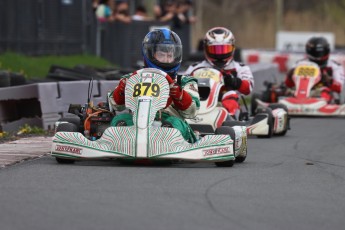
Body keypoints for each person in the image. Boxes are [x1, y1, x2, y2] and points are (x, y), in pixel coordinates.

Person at [109, 28, 200, 143]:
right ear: (150, 54)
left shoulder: (184, 81)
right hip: (137, 121)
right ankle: (123, 143)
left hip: (169, 121)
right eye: (161, 55)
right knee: (119, 120)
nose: (166, 60)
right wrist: (122, 91)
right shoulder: (132, 78)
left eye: (170, 55)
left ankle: (165, 142)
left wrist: (179, 94)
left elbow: (192, 111)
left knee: (174, 125)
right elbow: (116, 105)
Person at [184, 27, 254, 119]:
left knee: (230, 94)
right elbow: (183, 86)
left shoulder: (240, 68)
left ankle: (230, 120)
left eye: (224, 49)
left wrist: (235, 82)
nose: (219, 54)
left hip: (224, 103)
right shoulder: (195, 67)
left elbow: (248, 88)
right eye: (215, 50)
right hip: (200, 101)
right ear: (206, 48)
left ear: (232, 48)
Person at [284, 36, 344, 103]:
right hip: (299, 91)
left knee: (325, 92)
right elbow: (288, 84)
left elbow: (340, 87)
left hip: (320, 91)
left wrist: (329, 80)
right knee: (282, 91)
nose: (316, 55)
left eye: (317, 52)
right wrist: (289, 76)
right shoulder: (299, 64)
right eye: (313, 52)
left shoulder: (334, 66)